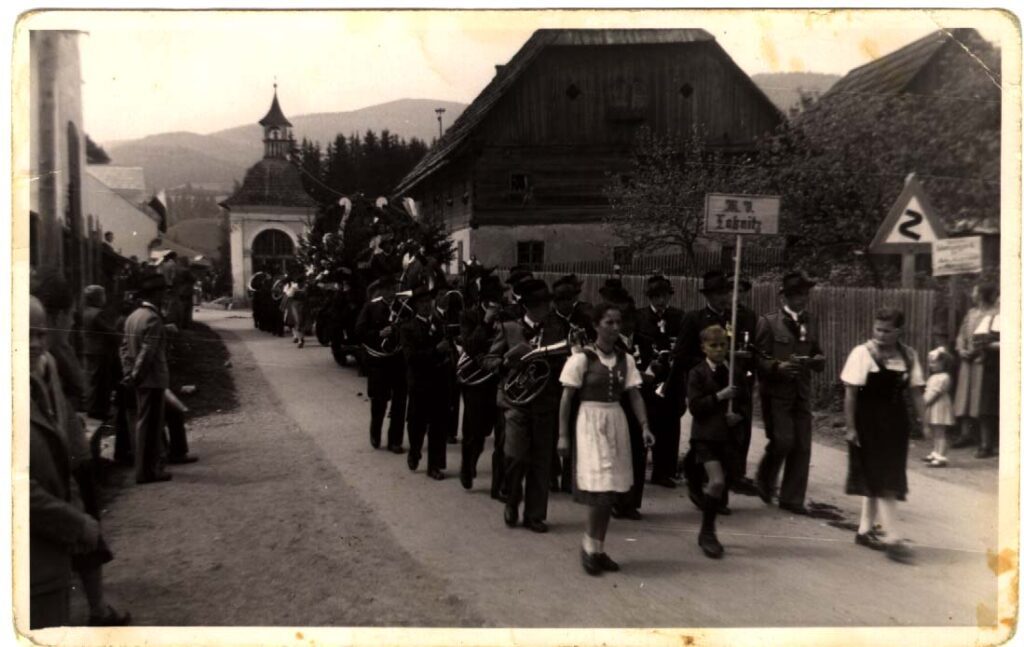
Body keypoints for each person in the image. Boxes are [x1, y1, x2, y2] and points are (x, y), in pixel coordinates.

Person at [558, 302, 654, 575]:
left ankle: (597, 549)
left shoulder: (626, 359)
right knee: (599, 490)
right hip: (590, 423)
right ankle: (588, 548)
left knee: (609, 492)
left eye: (618, 322)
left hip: (616, 422)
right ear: (596, 325)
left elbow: (635, 395)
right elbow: (567, 399)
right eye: (609, 322)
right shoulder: (582, 359)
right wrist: (563, 436)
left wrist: (645, 426)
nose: (615, 328)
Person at [29, 296, 101, 629]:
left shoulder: (42, 370)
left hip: (63, 481)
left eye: (40, 333)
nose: (34, 343)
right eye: (23, 333)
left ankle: (96, 608)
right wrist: (75, 521)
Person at [841, 307, 925, 563]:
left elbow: (916, 392)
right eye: (877, 329)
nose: (880, 335)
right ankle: (892, 537)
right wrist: (851, 427)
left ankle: (865, 530)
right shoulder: (862, 353)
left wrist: (925, 420)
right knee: (883, 478)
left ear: (899, 331)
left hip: (896, 423)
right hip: (868, 422)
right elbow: (851, 393)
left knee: (884, 474)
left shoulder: (908, 355)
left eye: (887, 331)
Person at [484, 278, 561, 533]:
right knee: (515, 457)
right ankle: (512, 500)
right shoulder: (508, 328)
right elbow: (489, 361)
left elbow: (565, 363)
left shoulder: (557, 329)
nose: (546, 310)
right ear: (529, 307)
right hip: (515, 403)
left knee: (541, 461)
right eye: (541, 305)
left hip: (545, 403)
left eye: (547, 305)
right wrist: (506, 363)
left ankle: (535, 515)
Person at [754, 271, 825, 515]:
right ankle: (765, 477)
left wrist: (817, 361)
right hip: (776, 392)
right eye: (796, 295)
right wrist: (776, 366)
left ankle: (792, 499)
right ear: (784, 297)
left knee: (803, 446)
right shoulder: (769, 322)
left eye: (804, 294)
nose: (801, 299)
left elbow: (817, 352)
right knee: (784, 440)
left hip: (802, 392)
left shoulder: (811, 321)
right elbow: (758, 359)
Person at [686, 325, 748, 558]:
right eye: (713, 345)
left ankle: (691, 473)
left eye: (723, 345)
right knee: (717, 482)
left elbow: (745, 402)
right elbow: (695, 407)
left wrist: (738, 415)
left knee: (725, 483)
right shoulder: (697, 373)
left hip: (728, 438)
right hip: (705, 437)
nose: (719, 350)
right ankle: (707, 532)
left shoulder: (734, 372)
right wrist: (719, 397)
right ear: (703, 348)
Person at [121, 270, 174, 484]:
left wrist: (128, 372)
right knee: (151, 426)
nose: (164, 296)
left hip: (139, 377)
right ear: (156, 295)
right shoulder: (153, 318)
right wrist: (136, 375)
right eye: (162, 292)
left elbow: (124, 348)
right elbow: (148, 352)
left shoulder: (133, 317)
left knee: (144, 423)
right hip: (151, 379)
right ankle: (147, 471)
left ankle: (145, 469)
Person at [635, 274, 684, 490]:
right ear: (649, 298)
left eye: (664, 296)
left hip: (671, 378)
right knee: (648, 420)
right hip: (648, 377)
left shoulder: (679, 317)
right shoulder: (640, 317)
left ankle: (664, 471)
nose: (661, 302)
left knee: (671, 424)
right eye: (656, 297)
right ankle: (640, 467)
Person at [547, 274, 595, 493]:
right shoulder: (548, 321)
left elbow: (593, 343)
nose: (568, 304)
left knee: (575, 428)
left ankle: (569, 477)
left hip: (578, 381)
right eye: (564, 300)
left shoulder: (583, 319)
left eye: (571, 299)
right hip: (554, 380)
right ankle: (551, 473)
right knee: (553, 429)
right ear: (556, 302)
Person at [457, 274, 504, 493]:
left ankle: (499, 485)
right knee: (476, 432)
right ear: (484, 299)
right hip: (475, 381)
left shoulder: (509, 315)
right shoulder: (469, 316)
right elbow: (469, 346)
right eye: (493, 297)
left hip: (500, 380)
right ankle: (468, 466)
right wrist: (485, 321)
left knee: (502, 435)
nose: (498, 300)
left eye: (499, 296)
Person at [400, 284, 453, 479]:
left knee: (438, 425)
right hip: (420, 384)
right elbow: (410, 358)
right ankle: (415, 451)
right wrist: (436, 351)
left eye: (427, 301)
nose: (425, 305)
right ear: (415, 306)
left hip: (439, 382)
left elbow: (448, 349)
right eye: (421, 302)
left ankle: (435, 466)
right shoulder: (408, 328)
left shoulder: (441, 324)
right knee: (416, 424)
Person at [354, 274, 408, 453]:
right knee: (379, 401)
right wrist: (378, 334)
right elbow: (359, 331)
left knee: (400, 402)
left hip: (398, 360)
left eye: (395, 289)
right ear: (382, 291)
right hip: (378, 361)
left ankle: (395, 441)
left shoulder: (404, 308)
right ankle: (375, 432)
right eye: (389, 289)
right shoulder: (371, 307)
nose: (393, 293)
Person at [951, 282, 1000, 456]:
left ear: (981, 295)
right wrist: (961, 349)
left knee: (980, 398)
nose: (972, 294)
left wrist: (976, 351)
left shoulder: (995, 314)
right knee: (965, 397)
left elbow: (990, 337)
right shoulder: (970, 313)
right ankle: (966, 434)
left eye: (975, 292)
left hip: (981, 360)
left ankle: (985, 441)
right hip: (967, 361)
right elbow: (961, 334)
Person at [81, 285, 118, 420]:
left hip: (89, 350)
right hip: (101, 351)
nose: (104, 298)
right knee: (103, 381)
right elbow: (108, 331)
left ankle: (92, 408)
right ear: (96, 297)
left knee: (93, 380)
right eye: (102, 295)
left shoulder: (86, 312)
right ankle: (101, 410)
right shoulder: (98, 313)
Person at [922, 347, 956, 467]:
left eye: (934, 362)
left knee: (940, 432)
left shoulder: (944, 377)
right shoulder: (934, 377)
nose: (931, 365)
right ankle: (935, 452)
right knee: (935, 431)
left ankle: (941, 456)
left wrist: (924, 403)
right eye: (930, 363)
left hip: (939, 406)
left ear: (944, 363)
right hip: (933, 406)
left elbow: (935, 393)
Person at [282, 273, 308, 348]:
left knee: (303, 322)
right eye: (303, 282)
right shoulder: (294, 287)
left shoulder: (305, 287)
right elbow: (289, 295)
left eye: (304, 282)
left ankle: (301, 338)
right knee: (298, 321)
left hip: (304, 305)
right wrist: (292, 290)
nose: (304, 283)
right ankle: (300, 339)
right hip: (296, 305)